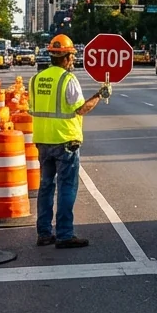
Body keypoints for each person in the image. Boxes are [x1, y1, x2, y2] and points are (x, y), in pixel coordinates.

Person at [29, 35, 108, 249]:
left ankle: (44, 233)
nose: (73, 60)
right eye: (72, 56)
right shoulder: (68, 79)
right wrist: (99, 95)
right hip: (65, 142)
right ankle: (64, 234)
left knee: (45, 187)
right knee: (67, 187)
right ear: (65, 58)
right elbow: (80, 109)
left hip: (43, 141)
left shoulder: (36, 79)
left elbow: (32, 108)